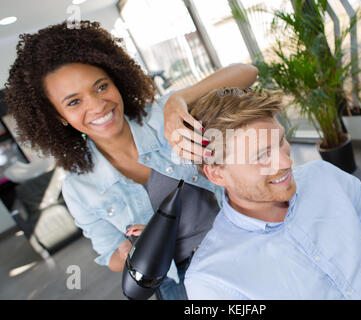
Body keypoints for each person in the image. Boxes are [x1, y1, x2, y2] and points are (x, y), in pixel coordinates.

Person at [4, 21, 258, 300]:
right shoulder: (79, 188)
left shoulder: (163, 116)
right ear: (58, 117)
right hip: (179, 281)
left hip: (242, 240)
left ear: (116, 81)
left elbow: (246, 72)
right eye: (74, 102)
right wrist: (130, 250)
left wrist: (178, 100)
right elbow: (110, 254)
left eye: (101, 87)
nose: (97, 105)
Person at [183, 87, 361, 299]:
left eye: (280, 142)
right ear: (217, 173)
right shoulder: (212, 281)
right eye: (262, 156)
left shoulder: (324, 178)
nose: (285, 162)